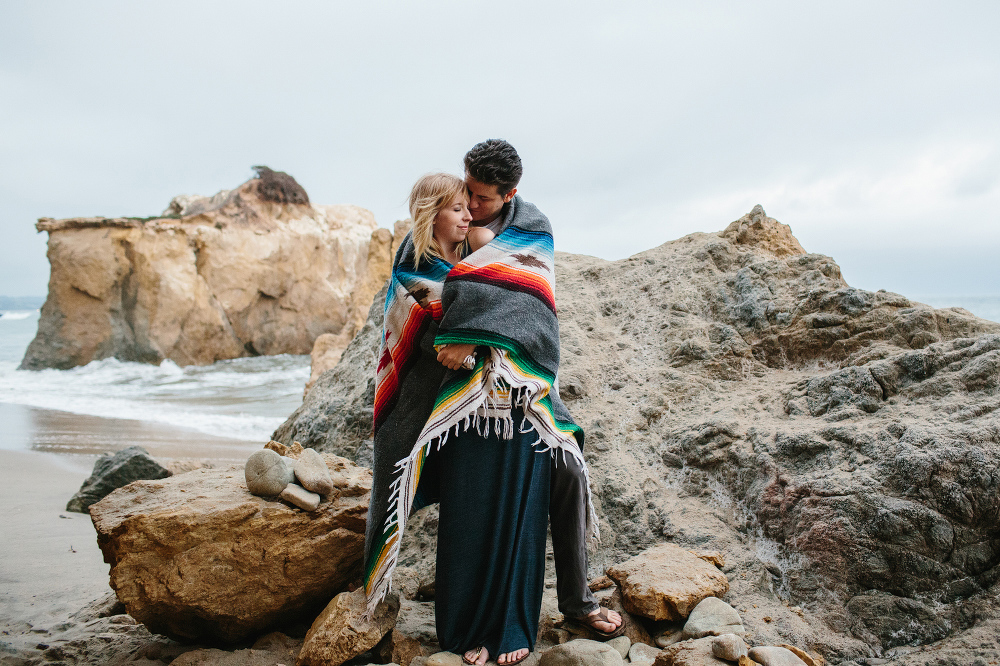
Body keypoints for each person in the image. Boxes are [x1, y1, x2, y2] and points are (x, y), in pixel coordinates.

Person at [462, 140, 624, 642]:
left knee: (570, 467)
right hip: (461, 384)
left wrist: (476, 322)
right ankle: (475, 601)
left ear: (510, 193)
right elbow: (429, 287)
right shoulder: (449, 210)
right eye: (466, 189)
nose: (469, 204)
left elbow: (532, 314)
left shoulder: (533, 228)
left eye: (481, 198)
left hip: (524, 380)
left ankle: (576, 602)